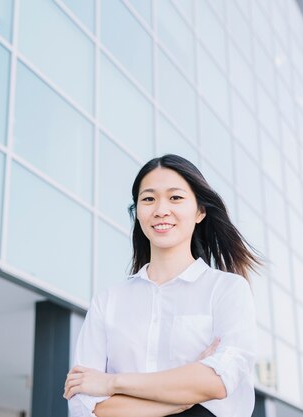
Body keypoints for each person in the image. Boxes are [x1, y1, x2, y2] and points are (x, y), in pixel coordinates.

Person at [64, 154, 261, 417]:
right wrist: (183, 395)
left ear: (200, 211)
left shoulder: (226, 290)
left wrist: (112, 383)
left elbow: (219, 380)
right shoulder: (108, 301)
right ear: (137, 212)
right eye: (148, 199)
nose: (160, 209)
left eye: (175, 197)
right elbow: (83, 406)